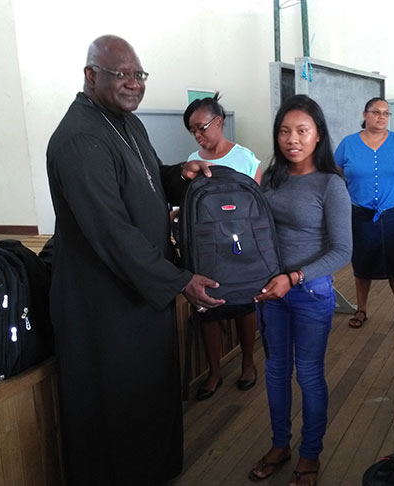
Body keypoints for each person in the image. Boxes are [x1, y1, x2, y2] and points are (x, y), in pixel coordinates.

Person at [46, 35, 224, 485]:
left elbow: (146, 180)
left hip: (141, 290)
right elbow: (112, 232)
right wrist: (180, 280)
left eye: (138, 74)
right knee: (116, 404)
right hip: (105, 302)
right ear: (91, 76)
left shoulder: (125, 122)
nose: (133, 83)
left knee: (149, 394)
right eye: (121, 74)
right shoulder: (79, 138)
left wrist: (177, 175)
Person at [248, 95, 352, 486]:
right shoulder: (271, 178)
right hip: (269, 293)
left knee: (308, 375)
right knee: (275, 372)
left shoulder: (331, 185)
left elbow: (343, 250)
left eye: (302, 131)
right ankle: (280, 444)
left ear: (318, 135)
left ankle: (310, 454)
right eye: (284, 131)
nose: (292, 139)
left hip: (310, 294)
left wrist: (293, 278)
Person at [182, 93, 261, 399]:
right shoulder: (194, 160)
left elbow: (256, 206)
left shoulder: (245, 158)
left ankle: (248, 363)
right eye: (193, 130)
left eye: (202, 127)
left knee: (243, 306)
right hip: (206, 248)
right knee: (208, 308)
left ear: (220, 121)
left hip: (241, 246)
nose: (198, 135)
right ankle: (214, 372)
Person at [334, 97, 394, 331]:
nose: (381, 117)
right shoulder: (348, 144)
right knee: (362, 263)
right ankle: (361, 308)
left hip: (393, 212)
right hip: (359, 213)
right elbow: (335, 180)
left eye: (386, 113)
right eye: (376, 112)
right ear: (365, 115)